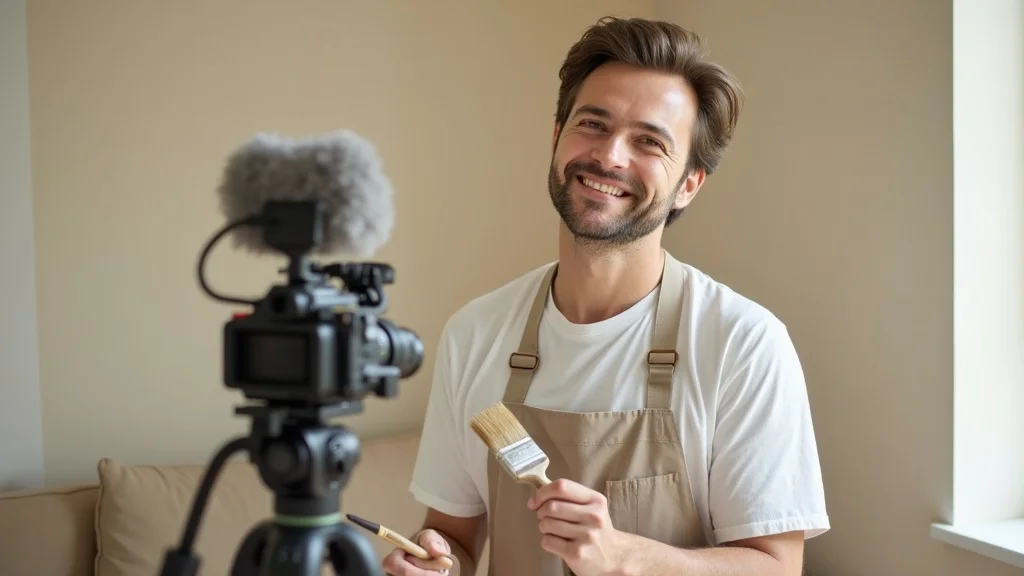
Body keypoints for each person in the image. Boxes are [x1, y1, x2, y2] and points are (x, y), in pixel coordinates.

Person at [382, 15, 829, 576]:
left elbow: (778, 568)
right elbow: (454, 539)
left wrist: (626, 557)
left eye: (649, 141)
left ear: (688, 183)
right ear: (556, 137)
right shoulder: (475, 332)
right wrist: (432, 564)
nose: (611, 156)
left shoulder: (743, 342)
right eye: (593, 124)